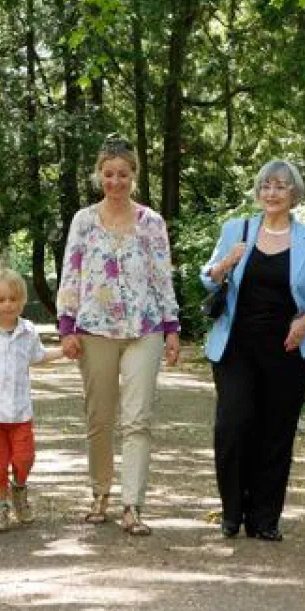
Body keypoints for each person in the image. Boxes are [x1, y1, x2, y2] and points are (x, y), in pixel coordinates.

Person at [201, 160, 305, 541]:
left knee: (275, 432)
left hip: (287, 349)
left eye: (280, 186)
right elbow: (208, 276)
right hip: (235, 348)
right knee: (232, 427)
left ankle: (265, 518)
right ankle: (233, 512)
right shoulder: (237, 229)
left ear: (294, 194)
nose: (272, 193)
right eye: (266, 185)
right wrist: (225, 263)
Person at [57, 136, 180, 536]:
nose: (115, 181)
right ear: (99, 176)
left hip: (144, 329)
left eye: (123, 174)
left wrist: (172, 326)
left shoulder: (152, 223)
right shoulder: (83, 220)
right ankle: (100, 493)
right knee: (100, 416)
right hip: (95, 330)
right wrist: (66, 324)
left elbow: (163, 275)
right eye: (108, 174)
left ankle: (133, 504)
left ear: (134, 176)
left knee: (138, 418)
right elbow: (71, 272)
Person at [0, 268, 63, 533]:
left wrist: (63, 351)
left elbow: (38, 356)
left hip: (19, 412)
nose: (7, 304)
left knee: (25, 458)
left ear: (22, 301)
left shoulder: (29, 331)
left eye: (13, 299)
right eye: (1, 300)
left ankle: (19, 490)